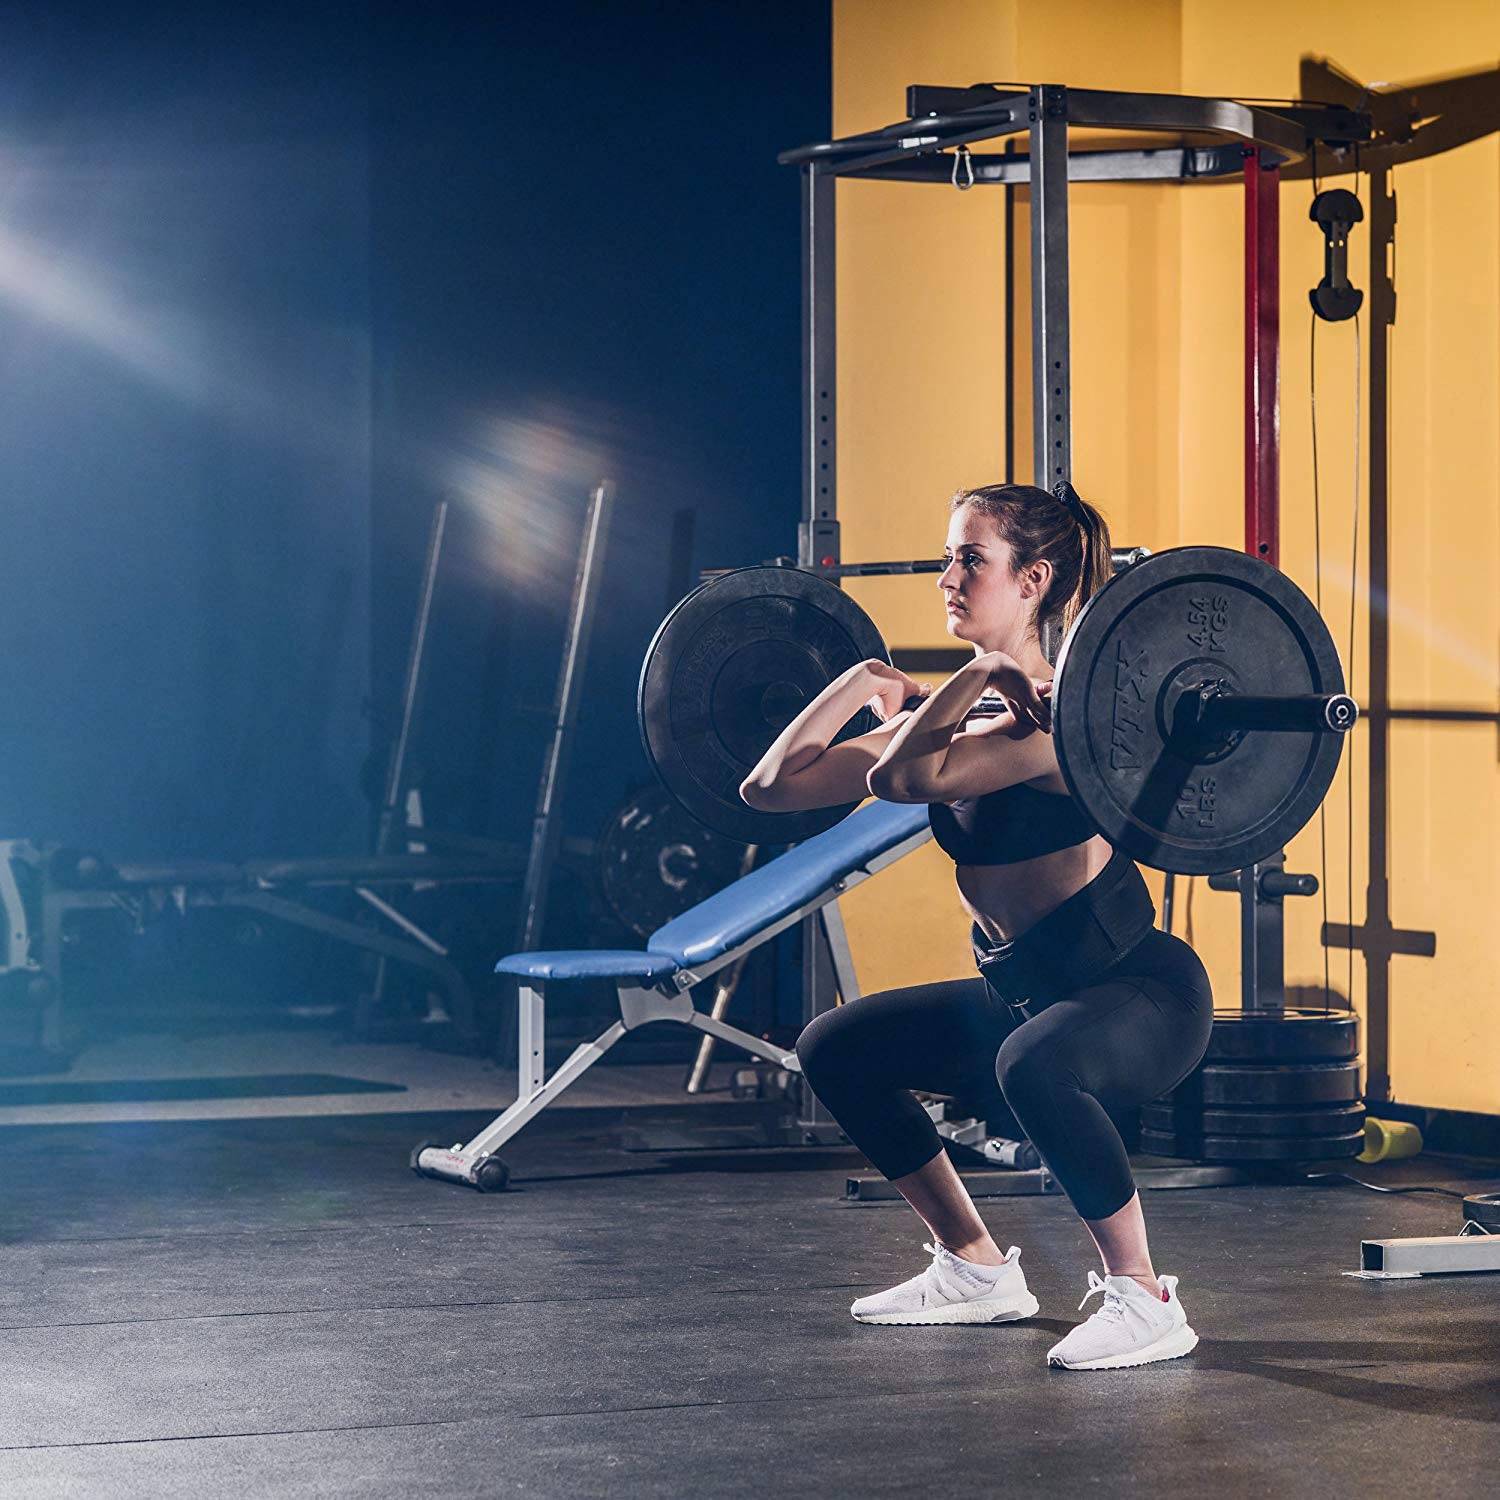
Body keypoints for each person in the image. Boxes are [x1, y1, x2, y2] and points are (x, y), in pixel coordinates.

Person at [739, 483, 1214, 1372]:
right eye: (947, 557)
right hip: (1026, 995)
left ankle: (1145, 1297)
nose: (946, 578)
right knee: (837, 1047)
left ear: (1033, 580)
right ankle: (974, 1266)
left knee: (1031, 1065)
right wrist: (858, 681)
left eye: (970, 559)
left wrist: (973, 679)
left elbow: (902, 781)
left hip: (1138, 995)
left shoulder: (1058, 716)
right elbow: (769, 788)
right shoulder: (971, 713)